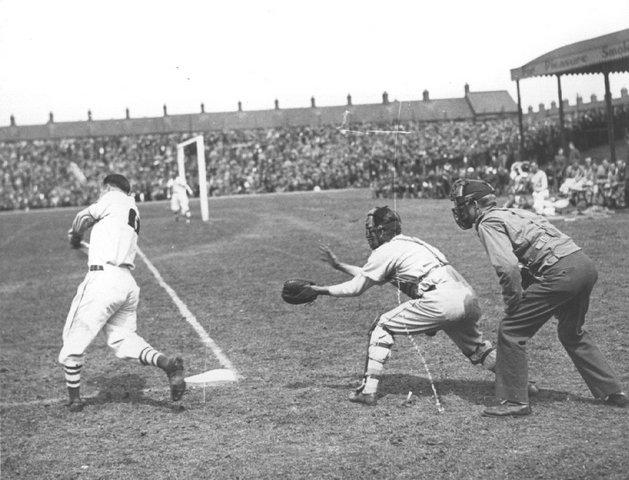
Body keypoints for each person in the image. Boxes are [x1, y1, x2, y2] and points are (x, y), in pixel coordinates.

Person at [449, 178, 627, 416]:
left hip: (561, 273)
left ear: (475, 204)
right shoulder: (516, 212)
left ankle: (515, 401)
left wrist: (513, 304)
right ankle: (612, 389)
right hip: (583, 265)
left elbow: (508, 267)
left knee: (511, 331)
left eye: (462, 204)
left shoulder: (487, 222)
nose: (459, 211)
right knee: (570, 332)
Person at [311, 206, 499, 406]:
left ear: (382, 231)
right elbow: (369, 275)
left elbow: (356, 288)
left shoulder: (385, 251)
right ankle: (518, 384)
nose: (370, 235)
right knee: (477, 347)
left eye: (373, 230)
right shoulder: (411, 243)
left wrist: (318, 290)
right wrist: (339, 265)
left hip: (441, 300)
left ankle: (368, 391)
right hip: (465, 295)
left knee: (381, 325)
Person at [60, 174, 186, 411]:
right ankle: (166, 363)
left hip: (102, 280)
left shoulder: (111, 198)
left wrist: (76, 237)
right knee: (123, 339)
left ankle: (74, 399)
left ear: (108, 187)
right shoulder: (131, 208)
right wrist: (83, 245)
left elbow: (81, 218)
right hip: (126, 282)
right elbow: (106, 245)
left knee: (73, 339)